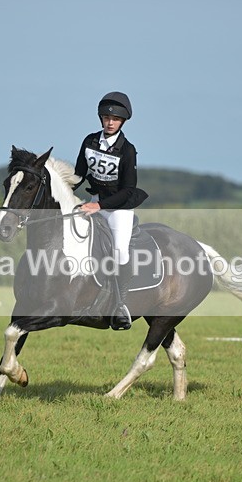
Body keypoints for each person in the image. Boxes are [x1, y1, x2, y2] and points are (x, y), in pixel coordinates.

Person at [74, 91, 148, 330]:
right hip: (94, 201)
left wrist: (100, 206)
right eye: (106, 117)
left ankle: (121, 305)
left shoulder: (127, 150)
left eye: (114, 119)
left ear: (122, 121)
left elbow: (128, 190)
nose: (109, 122)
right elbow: (78, 175)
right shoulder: (90, 141)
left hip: (118, 208)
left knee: (120, 251)